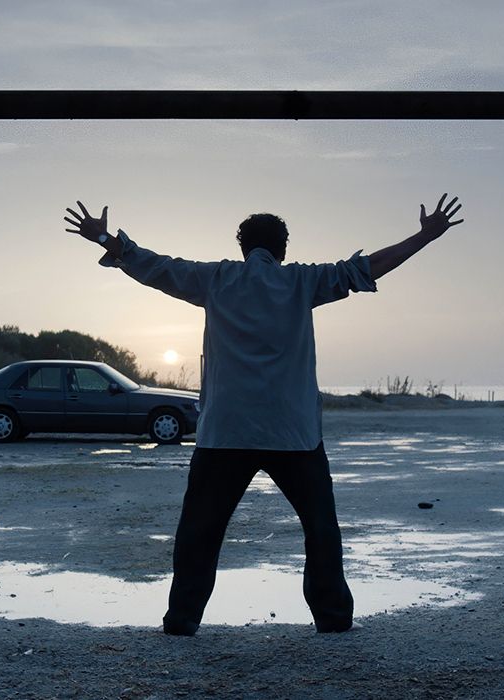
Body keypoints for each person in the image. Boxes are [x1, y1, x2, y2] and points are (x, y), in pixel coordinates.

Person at [64, 196, 465, 635]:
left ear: (242, 247)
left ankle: (181, 622)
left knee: (199, 533)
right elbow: (366, 268)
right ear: (283, 249)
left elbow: (156, 267)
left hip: (226, 433)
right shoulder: (302, 281)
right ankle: (332, 621)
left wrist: (104, 237)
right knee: (321, 531)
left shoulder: (216, 279)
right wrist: (426, 235)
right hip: (292, 433)